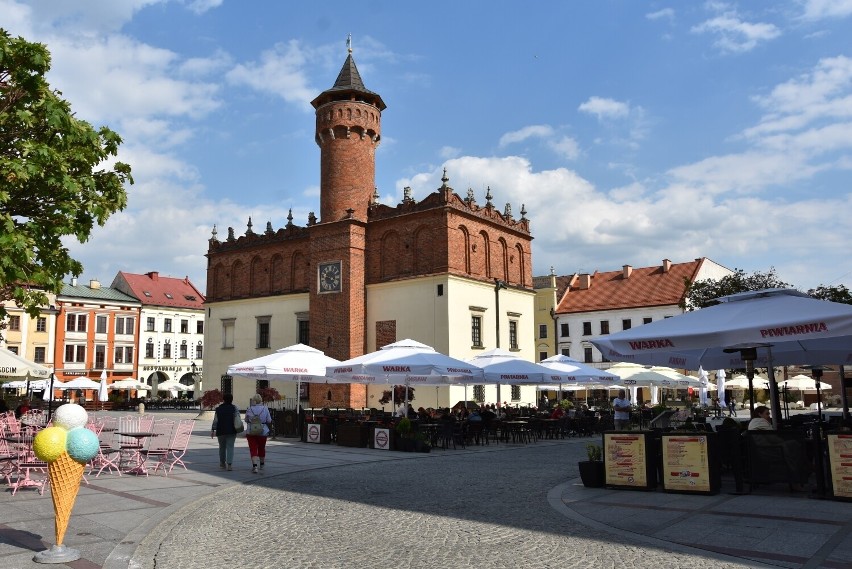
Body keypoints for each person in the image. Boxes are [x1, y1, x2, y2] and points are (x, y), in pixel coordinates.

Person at [748, 406, 809, 491]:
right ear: (759, 414)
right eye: (767, 413)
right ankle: (799, 477)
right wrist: (783, 440)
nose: (769, 416)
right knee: (795, 448)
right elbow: (772, 438)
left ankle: (805, 467)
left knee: (793, 448)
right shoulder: (761, 422)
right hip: (771, 451)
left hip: (763, 451)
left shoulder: (753, 423)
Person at [245, 393, 273, 474]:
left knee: (253, 448)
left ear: (254, 400)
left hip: (251, 431)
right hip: (262, 431)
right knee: (262, 447)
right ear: (261, 400)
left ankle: (255, 466)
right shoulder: (265, 408)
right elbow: (269, 420)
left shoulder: (250, 409)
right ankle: (262, 464)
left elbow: (246, 420)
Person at [211, 393, 239, 471]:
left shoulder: (218, 409)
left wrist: (213, 430)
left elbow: (215, 420)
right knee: (230, 447)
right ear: (231, 400)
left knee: (222, 447)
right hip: (232, 430)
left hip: (221, 430)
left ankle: (222, 463)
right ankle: (229, 465)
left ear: (223, 400)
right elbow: (238, 418)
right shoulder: (234, 408)